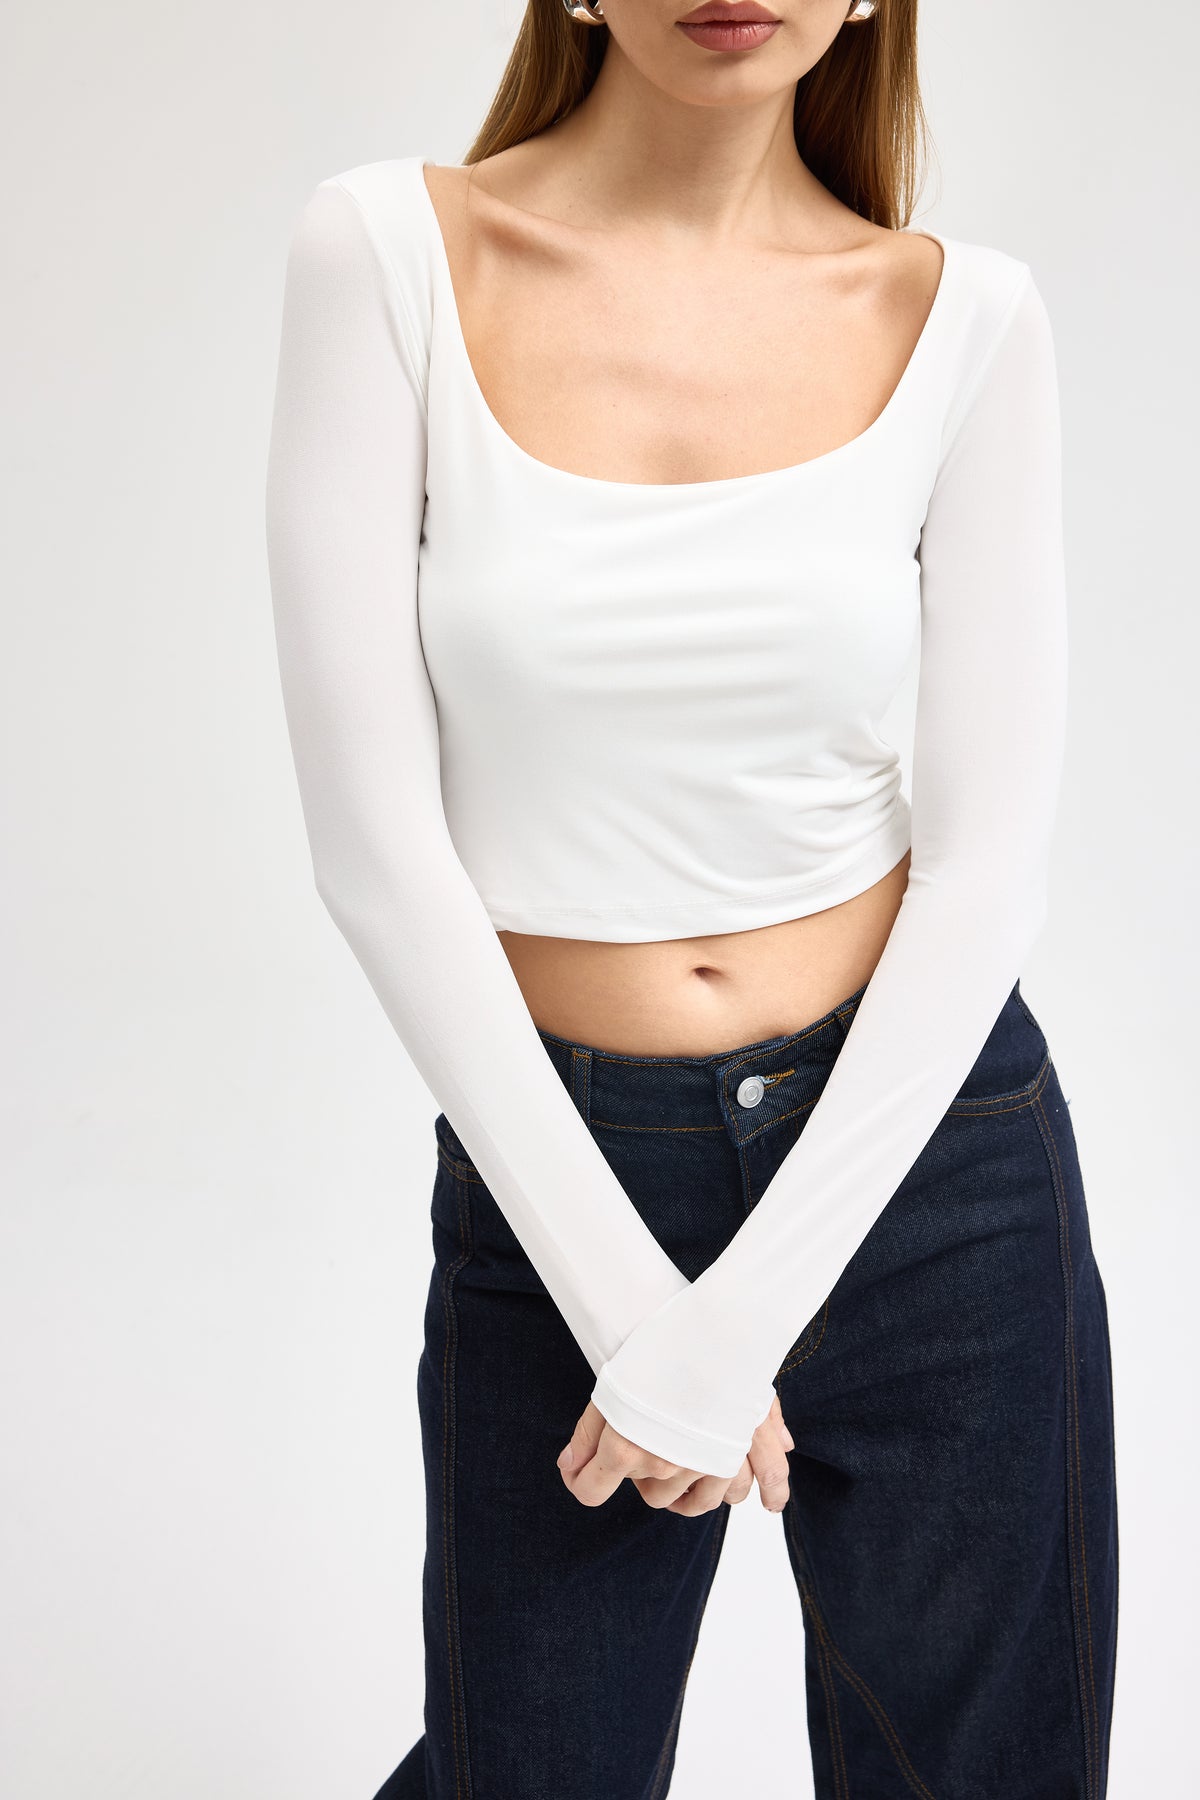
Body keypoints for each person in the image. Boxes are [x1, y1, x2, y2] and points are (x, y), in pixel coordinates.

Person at [264, 0, 1119, 1793]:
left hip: (927, 1175)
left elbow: (986, 865)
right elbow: (375, 850)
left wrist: (732, 1328)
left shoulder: (966, 317)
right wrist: (633, 1316)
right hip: (563, 1167)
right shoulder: (391, 255)